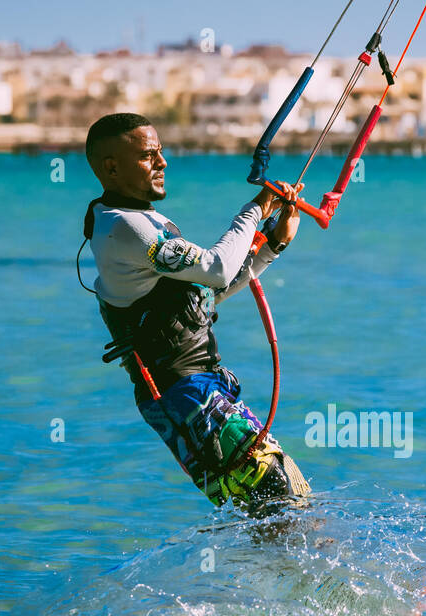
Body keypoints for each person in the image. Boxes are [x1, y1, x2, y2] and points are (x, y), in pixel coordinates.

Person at [79, 112, 311, 512]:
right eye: (149, 155)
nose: (162, 163)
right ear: (111, 167)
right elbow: (217, 269)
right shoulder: (125, 228)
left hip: (195, 393)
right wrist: (255, 210)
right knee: (285, 499)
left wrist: (273, 244)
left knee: (276, 512)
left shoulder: (138, 221)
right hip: (186, 395)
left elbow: (202, 298)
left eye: (161, 153)